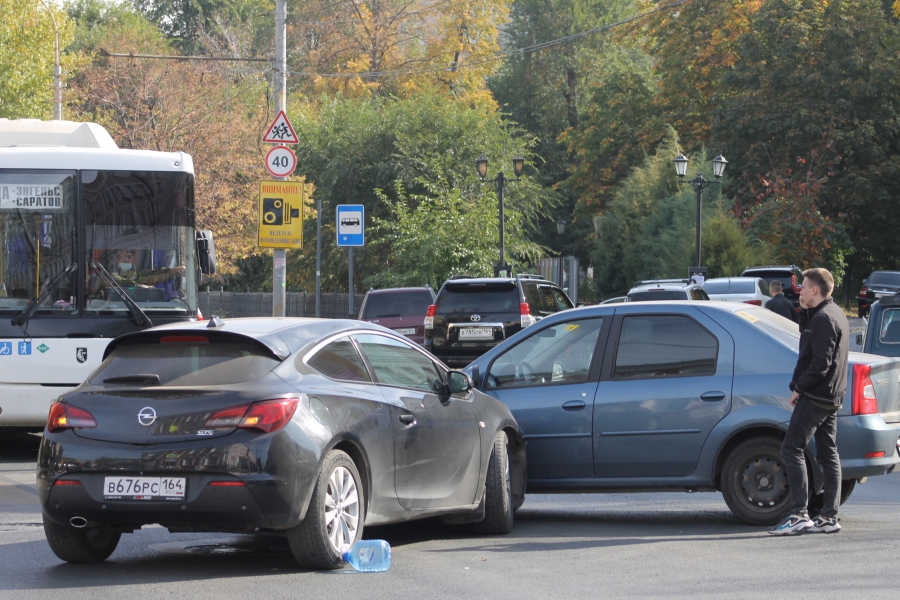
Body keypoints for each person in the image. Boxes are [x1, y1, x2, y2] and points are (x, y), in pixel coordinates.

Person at [769, 267, 848, 535]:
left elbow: (820, 362)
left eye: (803, 287)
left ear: (815, 289)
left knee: (791, 447)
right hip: (831, 395)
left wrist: (798, 389)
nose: (800, 291)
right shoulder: (832, 313)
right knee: (828, 452)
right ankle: (829, 516)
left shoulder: (825, 318)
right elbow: (808, 341)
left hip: (817, 394)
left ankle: (799, 513)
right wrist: (803, 310)